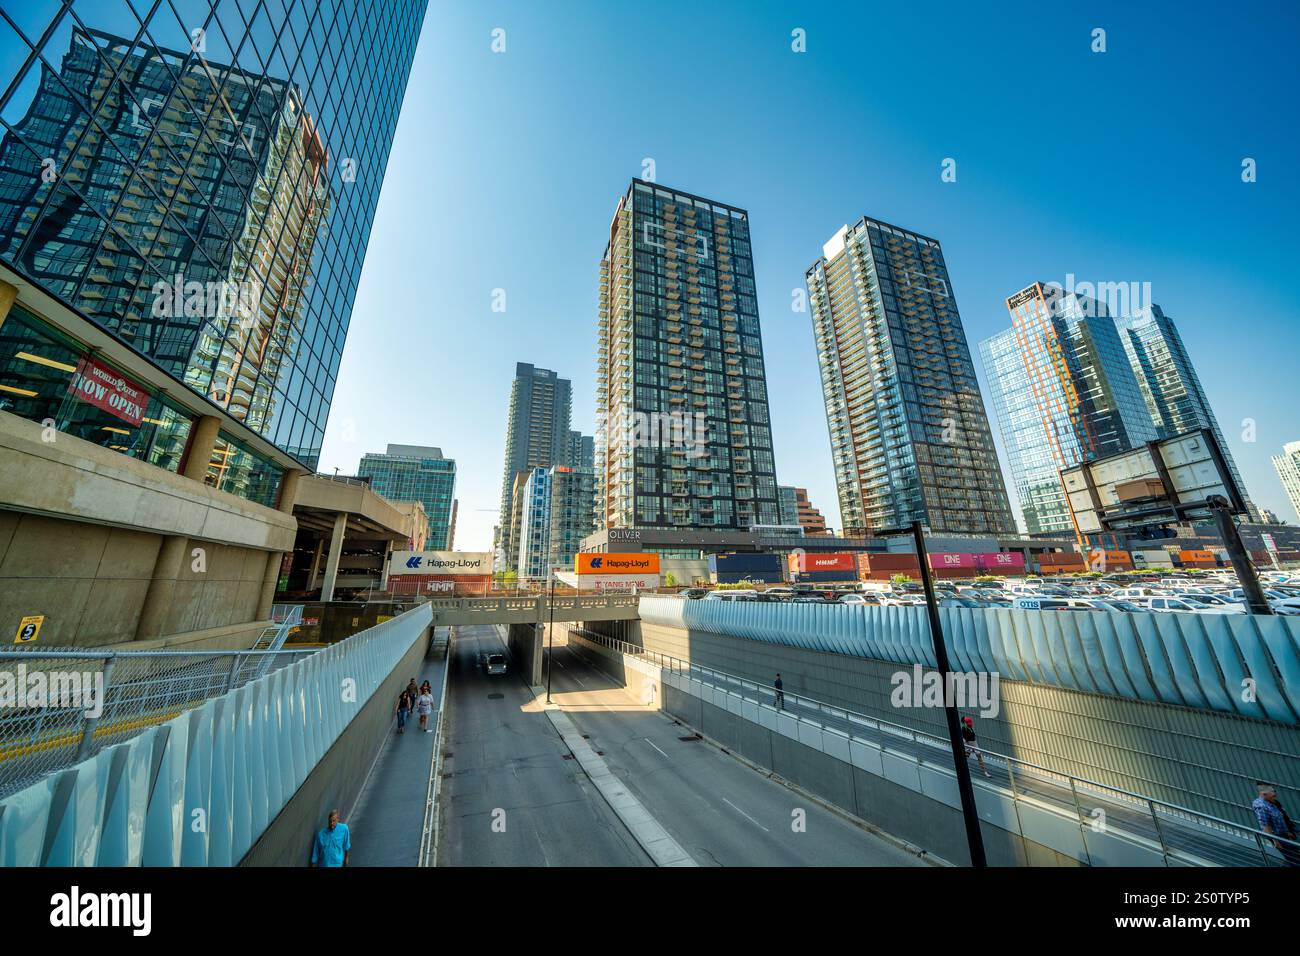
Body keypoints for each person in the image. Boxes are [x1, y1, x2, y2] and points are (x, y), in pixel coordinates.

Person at [1252, 782, 1300, 866]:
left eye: (1274, 791)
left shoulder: (1271, 802)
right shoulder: (1262, 807)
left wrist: (1288, 832)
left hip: (1284, 832)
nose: (1275, 795)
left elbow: (1281, 818)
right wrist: (1275, 841)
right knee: (1292, 857)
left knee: (1293, 853)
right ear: (1264, 794)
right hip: (1277, 836)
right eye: (1273, 793)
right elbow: (1265, 826)